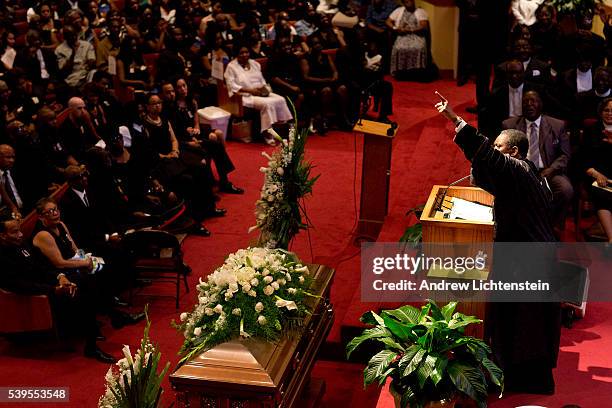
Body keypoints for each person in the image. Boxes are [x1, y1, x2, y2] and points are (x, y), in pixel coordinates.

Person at [436, 94, 560, 395]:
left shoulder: (517, 169)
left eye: (499, 146)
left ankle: (517, 379)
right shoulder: (525, 171)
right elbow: (488, 173)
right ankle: (515, 373)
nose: (494, 150)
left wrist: (455, 119)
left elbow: (487, 157)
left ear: (513, 151)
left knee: (521, 326)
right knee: (515, 321)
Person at [0, 216, 115, 363]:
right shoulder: (3, 257)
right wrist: (53, 289)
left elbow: (41, 268)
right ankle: (91, 344)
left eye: (19, 231)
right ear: (3, 235)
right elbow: (19, 285)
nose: (21, 235)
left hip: (47, 284)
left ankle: (95, 326)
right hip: (32, 295)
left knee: (87, 281)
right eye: (15, 232)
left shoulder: (22, 246)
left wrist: (60, 277)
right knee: (80, 294)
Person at [502, 90, 573, 229]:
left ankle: (551, 225)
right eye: (525, 102)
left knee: (566, 190)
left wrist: (551, 169)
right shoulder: (509, 126)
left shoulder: (557, 125)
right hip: (520, 171)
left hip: (548, 171)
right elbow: (503, 154)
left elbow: (565, 155)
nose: (529, 104)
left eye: (533, 101)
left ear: (541, 104)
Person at [163, 80, 243, 194]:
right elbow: (174, 134)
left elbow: (195, 122)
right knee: (212, 143)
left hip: (191, 135)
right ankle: (212, 181)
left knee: (216, 143)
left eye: (184, 86)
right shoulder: (169, 109)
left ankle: (224, 182)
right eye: (177, 88)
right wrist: (189, 140)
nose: (181, 90)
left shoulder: (191, 101)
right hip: (183, 141)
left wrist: (195, 131)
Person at [224, 45, 293, 145]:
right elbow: (231, 86)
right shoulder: (231, 66)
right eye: (241, 53)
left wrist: (263, 90)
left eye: (246, 52)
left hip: (260, 92)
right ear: (237, 55)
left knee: (281, 99)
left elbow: (262, 81)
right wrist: (251, 91)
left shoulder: (254, 63)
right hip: (245, 95)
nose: (244, 55)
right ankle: (267, 133)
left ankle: (283, 128)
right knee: (267, 104)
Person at [581, 97, 612, 243]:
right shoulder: (591, 130)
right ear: (601, 112)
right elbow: (582, 159)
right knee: (601, 193)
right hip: (595, 174)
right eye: (607, 110)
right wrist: (596, 174)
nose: (610, 113)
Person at [386, 0, 429, 78]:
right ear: (403, 3)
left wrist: (410, 30)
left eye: (410, 1)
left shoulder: (420, 11)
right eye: (406, 2)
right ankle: (400, 72)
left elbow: (423, 25)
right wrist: (395, 28)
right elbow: (388, 21)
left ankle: (416, 71)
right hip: (402, 36)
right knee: (398, 48)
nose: (409, 3)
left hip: (416, 36)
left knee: (418, 47)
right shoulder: (399, 11)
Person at [54, 23, 96, 88]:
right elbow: (63, 70)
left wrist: (90, 62)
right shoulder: (59, 50)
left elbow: (91, 60)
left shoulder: (86, 45)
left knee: (94, 73)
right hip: (72, 77)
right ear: (65, 37)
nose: (74, 38)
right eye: (70, 36)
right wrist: (73, 53)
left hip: (86, 74)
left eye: (74, 35)